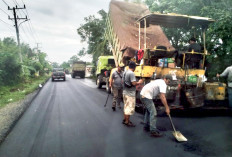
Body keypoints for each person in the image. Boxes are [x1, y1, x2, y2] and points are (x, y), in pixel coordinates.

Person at [122, 61, 143, 127]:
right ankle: (127, 122)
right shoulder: (131, 73)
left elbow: (123, 81)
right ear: (134, 67)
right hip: (130, 94)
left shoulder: (125, 72)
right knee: (129, 108)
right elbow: (133, 83)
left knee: (126, 106)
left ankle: (125, 119)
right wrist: (139, 82)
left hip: (125, 92)